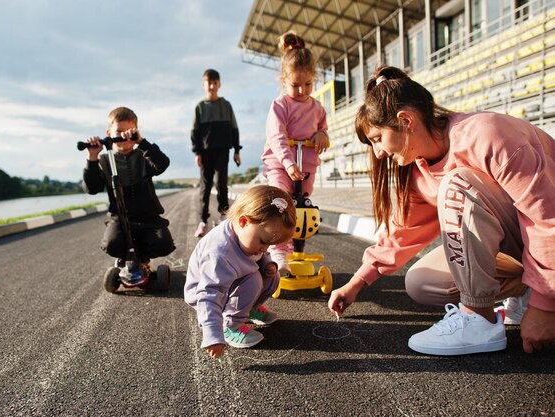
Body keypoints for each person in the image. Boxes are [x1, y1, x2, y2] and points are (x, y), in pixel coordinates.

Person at [328, 66, 555, 356]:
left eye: (376, 139)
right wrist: (356, 282)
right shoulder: (419, 169)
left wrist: (545, 305)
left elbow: (547, 218)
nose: (378, 153)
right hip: (522, 250)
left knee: (457, 182)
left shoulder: (487, 134)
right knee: (422, 283)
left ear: (406, 120)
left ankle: (478, 319)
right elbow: (403, 233)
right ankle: (524, 293)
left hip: (547, 232)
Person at [184, 185, 296, 359]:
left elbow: (260, 254)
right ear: (244, 222)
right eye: (263, 242)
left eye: (269, 245)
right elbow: (209, 294)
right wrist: (212, 334)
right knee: (253, 280)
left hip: (232, 280)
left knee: (272, 276)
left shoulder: (247, 234)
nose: (265, 248)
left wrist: (267, 262)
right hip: (207, 295)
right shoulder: (219, 253)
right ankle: (230, 325)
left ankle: (249, 309)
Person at [82, 107, 175, 287]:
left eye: (128, 132)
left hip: (148, 218)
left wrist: (142, 142)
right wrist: (92, 157)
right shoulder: (103, 161)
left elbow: (162, 165)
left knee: (163, 243)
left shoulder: (143, 155)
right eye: (119, 132)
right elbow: (91, 188)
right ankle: (125, 258)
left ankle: (142, 259)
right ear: (109, 133)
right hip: (120, 219)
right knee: (112, 243)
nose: (123, 137)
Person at [262, 31, 330, 275]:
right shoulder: (281, 105)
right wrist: (288, 163)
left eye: (308, 84)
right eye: (295, 85)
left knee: (302, 209)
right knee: (281, 203)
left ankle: (295, 250)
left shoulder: (318, 108)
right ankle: (279, 252)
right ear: (284, 80)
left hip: (307, 165)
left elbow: (323, 129)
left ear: (315, 78)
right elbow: (276, 135)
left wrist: (322, 135)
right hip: (281, 164)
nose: (302, 90)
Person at [191, 69, 242, 238]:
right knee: (205, 187)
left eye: (215, 83)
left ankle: (224, 217)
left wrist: (236, 150)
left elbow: (234, 128)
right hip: (205, 152)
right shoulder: (200, 107)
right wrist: (197, 152)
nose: (212, 86)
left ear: (219, 84)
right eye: (209, 83)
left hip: (222, 150)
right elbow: (195, 131)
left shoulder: (226, 105)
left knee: (221, 184)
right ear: (204, 84)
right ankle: (203, 221)